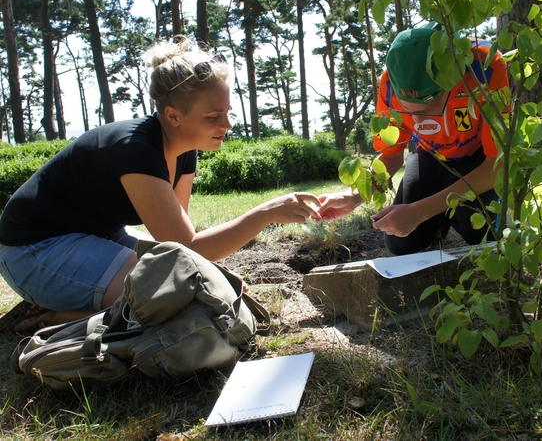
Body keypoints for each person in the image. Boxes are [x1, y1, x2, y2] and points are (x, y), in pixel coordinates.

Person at [0, 36, 320, 333]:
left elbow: (176, 247)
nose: (227, 125)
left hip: (96, 236)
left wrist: (206, 274)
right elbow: (188, 246)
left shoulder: (184, 153)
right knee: (173, 301)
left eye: (227, 113)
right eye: (213, 116)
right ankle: (56, 316)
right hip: (34, 249)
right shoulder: (136, 150)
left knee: (190, 289)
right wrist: (264, 213)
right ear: (173, 115)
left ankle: (83, 300)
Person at [315, 28, 509, 256]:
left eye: (429, 110)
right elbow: (391, 155)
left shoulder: (485, 67)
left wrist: (421, 211)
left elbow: (496, 166)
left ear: (450, 81)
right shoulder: (390, 81)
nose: (417, 122)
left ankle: (453, 214)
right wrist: (355, 197)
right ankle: (442, 219)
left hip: (479, 159)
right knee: (400, 242)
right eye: (408, 111)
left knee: (482, 233)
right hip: (431, 156)